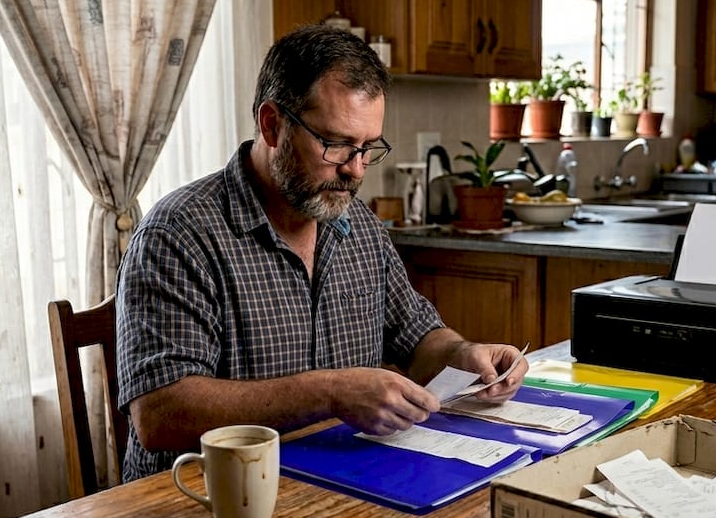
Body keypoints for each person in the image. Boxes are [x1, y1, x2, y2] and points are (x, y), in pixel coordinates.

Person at [115, 24, 528, 481]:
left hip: (335, 481)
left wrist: (465, 356)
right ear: (272, 125)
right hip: (203, 496)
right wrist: (330, 392)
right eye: (337, 145)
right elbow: (159, 414)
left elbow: (417, 338)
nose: (356, 170)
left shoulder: (358, 225)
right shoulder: (178, 233)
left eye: (367, 148)